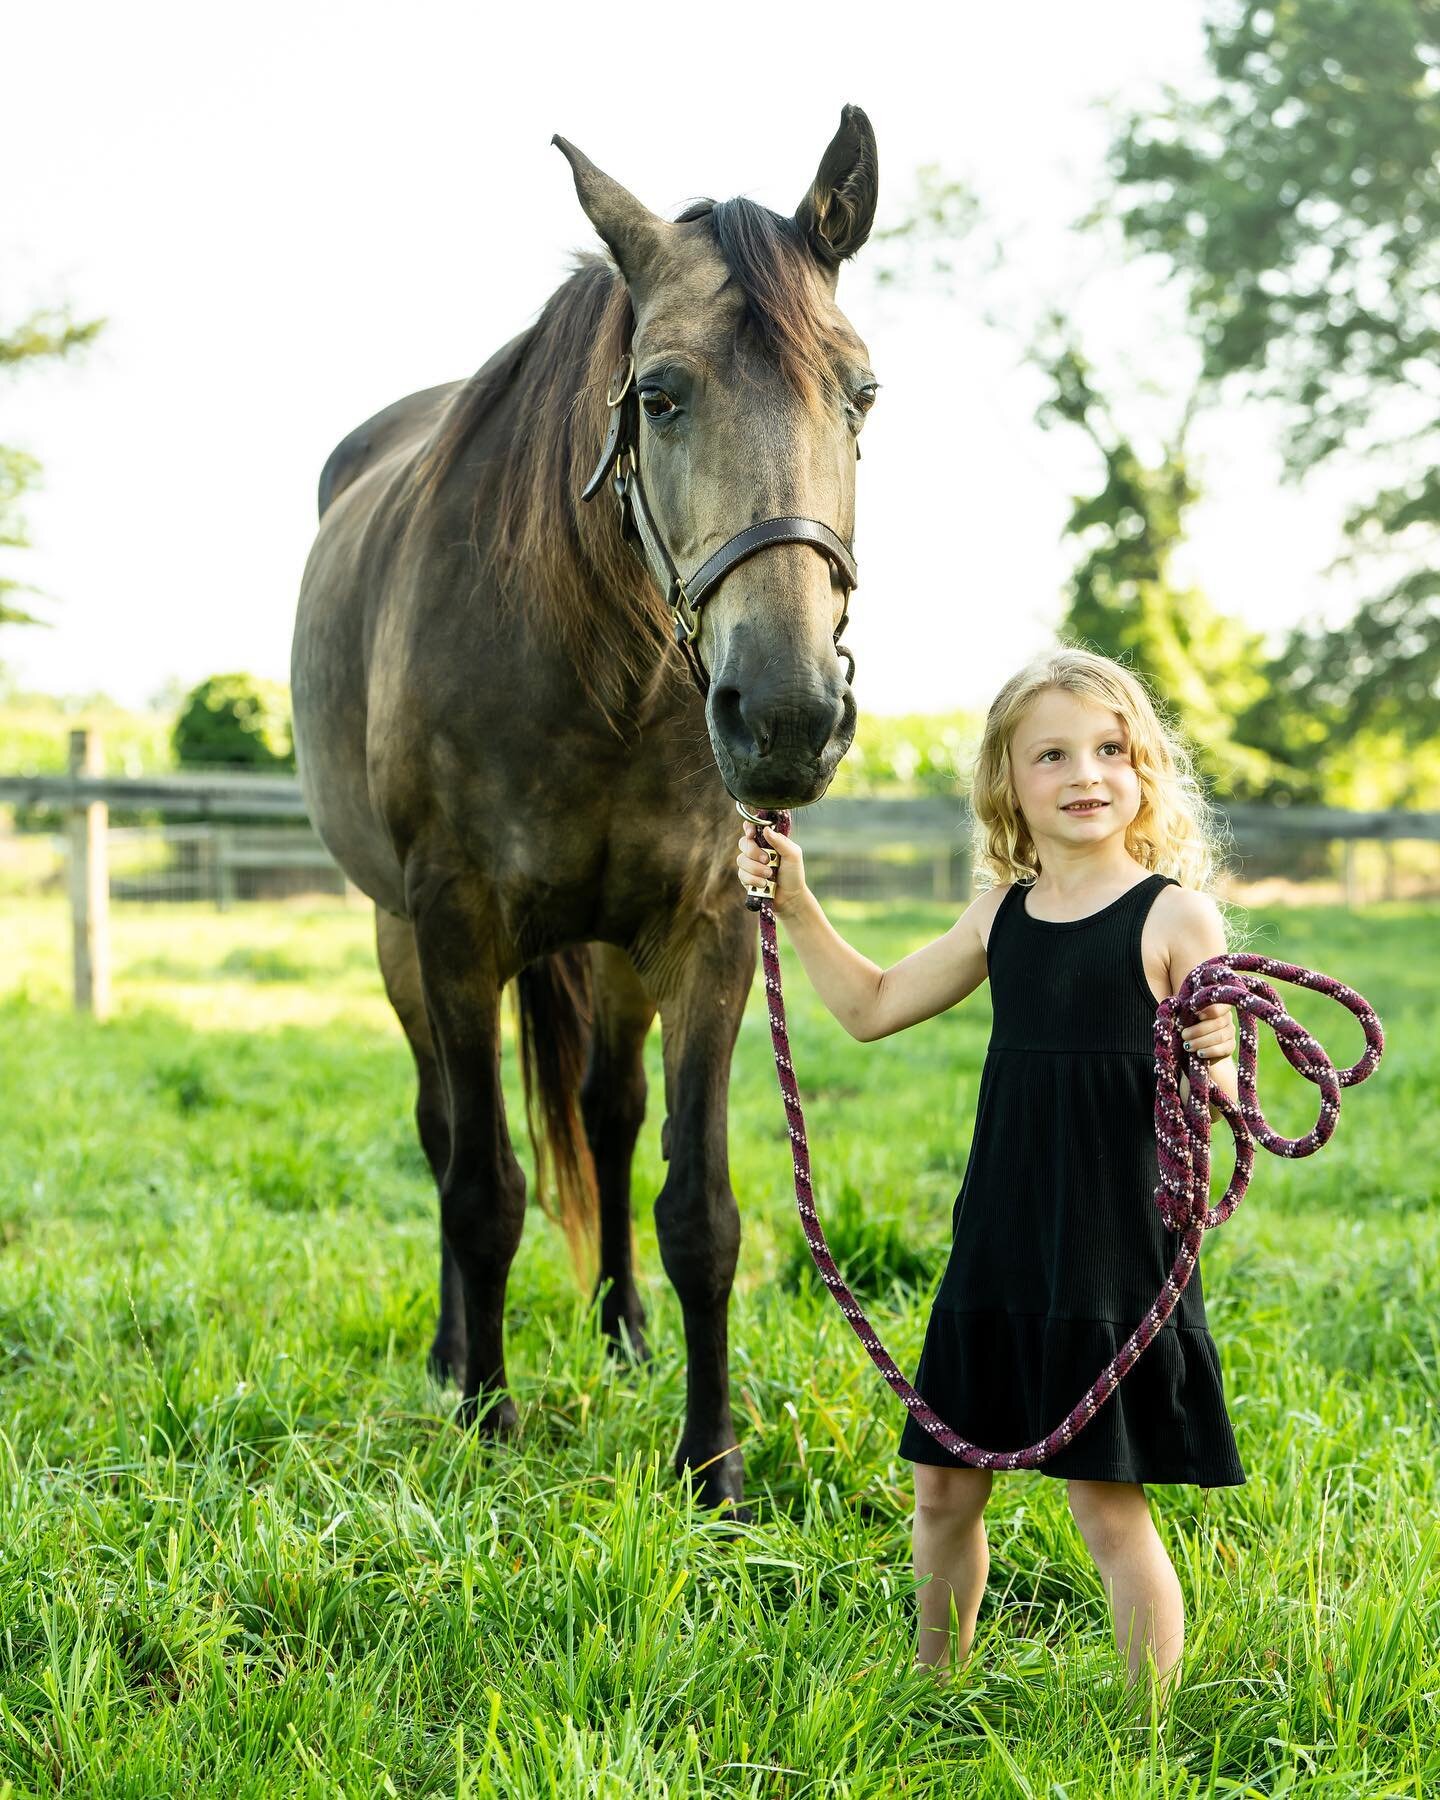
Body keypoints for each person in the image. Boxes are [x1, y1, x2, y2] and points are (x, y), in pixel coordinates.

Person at [735, 646, 1245, 1706]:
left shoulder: (1173, 918)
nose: (1085, 774)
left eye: (1110, 749)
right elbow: (872, 1006)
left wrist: (1220, 1054)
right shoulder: (1000, 916)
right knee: (941, 1486)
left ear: (1144, 768)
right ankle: (936, 1685)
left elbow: (1225, 1073)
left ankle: (1144, 1725)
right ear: (1008, 784)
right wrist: (796, 905)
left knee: (1106, 1506)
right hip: (1005, 1234)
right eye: (1050, 755)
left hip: (1108, 1249)